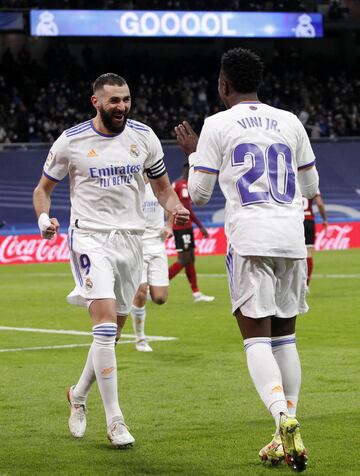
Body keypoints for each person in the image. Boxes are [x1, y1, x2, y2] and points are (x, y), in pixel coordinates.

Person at [174, 48, 319, 472]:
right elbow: (310, 186)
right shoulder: (291, 121)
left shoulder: (217, 124)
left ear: (223, 84)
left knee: (255, 339)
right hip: (292, 238)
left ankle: (281, 417)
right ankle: (283, 432)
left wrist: (193, 154)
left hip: (251, 238)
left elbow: (198, 195)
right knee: (286, 339)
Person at [32, 73, 189, 449]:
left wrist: (175, 206)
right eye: (114, 100)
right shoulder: (71, 142)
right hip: (90, 238)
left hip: (132, 241)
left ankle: (78, 395)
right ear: (96, 102)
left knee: (112, 334)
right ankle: (116, 420)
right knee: (103, 328)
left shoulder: (144, 137)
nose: (121, 106)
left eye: (126, 99)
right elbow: (43, 190)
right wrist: (43, 220)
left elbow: (163, 188)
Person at [131, 175, 173, 352]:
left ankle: (139, 293)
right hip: (136, 243)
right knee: (141, 292)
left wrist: (169, 226)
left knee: (160, 298)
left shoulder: (159, 183)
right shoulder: (131, 183)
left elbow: (172, 205)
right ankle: (140, 339)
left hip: (156, 243)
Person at [168, 162, 215, 303]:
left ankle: (196, 293)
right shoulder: (181, 185)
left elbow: (188, 210)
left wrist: (198, 226)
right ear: (189, 170)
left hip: (185, 227)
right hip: (180, 227)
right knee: (183, 260)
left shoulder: (181, 185)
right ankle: (157, 285)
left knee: (190, 260)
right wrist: (200, 226)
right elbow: (182, 210)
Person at [303, 191, 327, 287]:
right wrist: (324, 219)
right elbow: (320, 204)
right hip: (308, 221)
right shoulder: (311, 184)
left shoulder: (291, 182)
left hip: (295, 221)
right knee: (308, 253)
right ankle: (306, 285)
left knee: (292, 254)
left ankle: (292, 285)